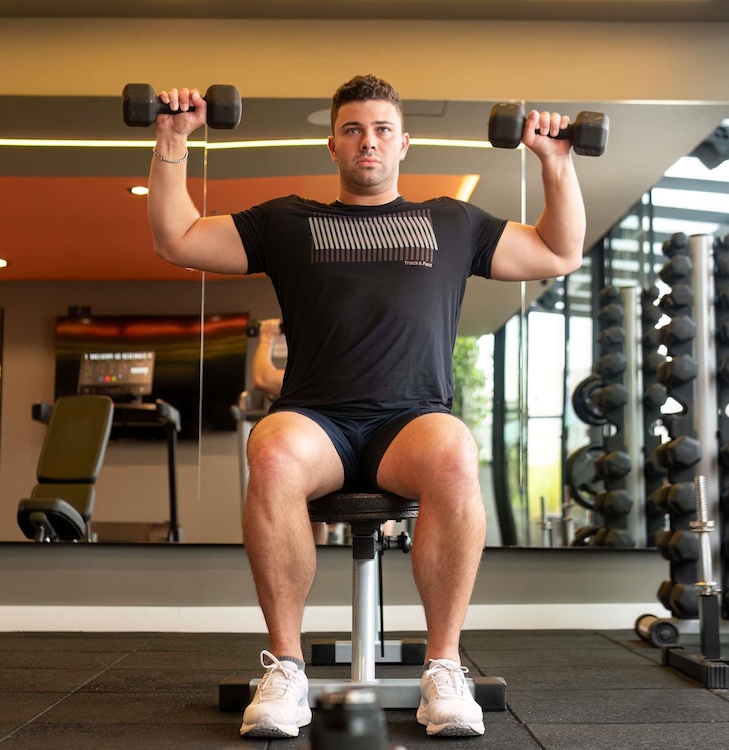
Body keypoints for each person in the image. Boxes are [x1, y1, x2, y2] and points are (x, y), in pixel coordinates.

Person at [147, 74, 585, 739]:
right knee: (271, 449)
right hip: (316, 421)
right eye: (352, 130)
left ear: (404, 143)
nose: (368, 141)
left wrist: (555, 161)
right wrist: (173, 140)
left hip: (410, 423)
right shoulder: (287, 223)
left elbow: (559, 251)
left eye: (382, 129)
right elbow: (177, 238)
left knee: (455, 451)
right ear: (333, 145)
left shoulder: (453, 222)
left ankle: (443, 667)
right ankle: (287, 668)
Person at [251, 318, 342, 545]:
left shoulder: (314, 375)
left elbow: (262, 377)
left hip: (329, 463)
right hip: (360, 460)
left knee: (301, 490)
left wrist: (266, 336)